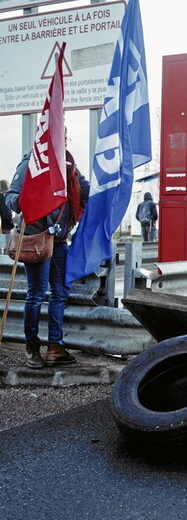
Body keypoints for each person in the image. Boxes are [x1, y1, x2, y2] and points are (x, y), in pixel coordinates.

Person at [5, 149, 89, 369]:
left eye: (64, 134)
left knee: (60, 294)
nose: (61, 138)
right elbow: (11, 199)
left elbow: (84, 192)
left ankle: (55, 348)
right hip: (37, 238)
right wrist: (33, 199)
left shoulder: (70, 165)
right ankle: (32, 348)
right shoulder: (31, 163)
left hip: (59, 240)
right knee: (36, 295)